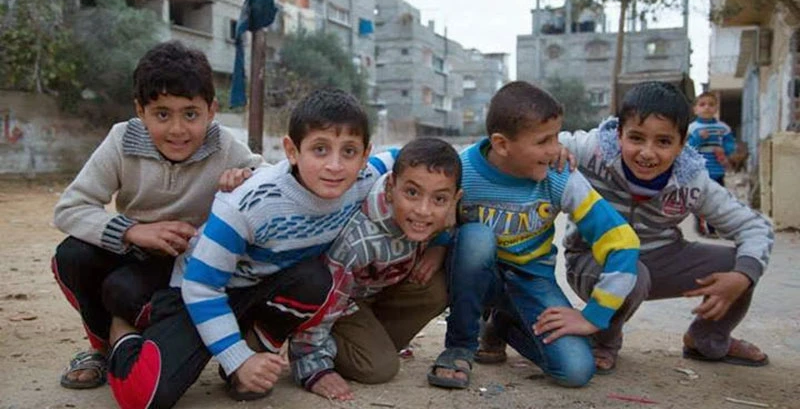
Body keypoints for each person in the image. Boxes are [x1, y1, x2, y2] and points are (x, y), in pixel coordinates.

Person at [104, 88, 401, 409]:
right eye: (319, 149)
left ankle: (256, 346)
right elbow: (201, 286)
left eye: (349, 151)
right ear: (291, 150)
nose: (335, 165)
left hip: (264, 288)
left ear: (365, 154)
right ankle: (123, 328)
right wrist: (236, 359)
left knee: (318, 280)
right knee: (143, 397)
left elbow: (410, 157)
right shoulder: (249, 203)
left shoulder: (365, 176)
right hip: (203, 291)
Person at [51, 40, 263, 390]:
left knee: (127, 293)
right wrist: (133, 231)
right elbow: (70, 208)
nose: (177, 130)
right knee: (72, 255)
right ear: (141, 111)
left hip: (192, 266)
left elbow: (269, 179)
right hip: (135, 255)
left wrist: (244, 180)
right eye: (162, 114)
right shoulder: (122, 140)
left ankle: (218, 339)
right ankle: (101, 349)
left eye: (190, 114)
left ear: (211, 111)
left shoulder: (224, 145)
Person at [428, 81, 640, 389]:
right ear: (501, 145)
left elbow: (624, 242)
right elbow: (423, 196)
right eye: (544, 141)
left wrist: (593, 317)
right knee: (476, 238)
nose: (555, 149)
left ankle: (502, 326)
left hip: (531, 279)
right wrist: (436, 246)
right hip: (474, 277)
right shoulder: (462, 170)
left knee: (576, 370)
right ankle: (460, 346)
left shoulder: (559, 175)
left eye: (556, 137)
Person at [552, 81, 772, 373]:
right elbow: (535, 140)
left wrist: (743, 276)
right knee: (631, 272)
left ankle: (706, 337)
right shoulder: (590, 151)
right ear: (618, 134)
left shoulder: (692, 181)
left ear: (683, 144)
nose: (647, 152)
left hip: (661, 257)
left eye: (664, 142)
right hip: (592, 260)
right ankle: (602, 340)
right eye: (636, 138)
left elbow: (755, 228)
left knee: (741, 263)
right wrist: (554, 148)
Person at [292, 137, 461, 401]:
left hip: (375, 292)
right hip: (339, 303)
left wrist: (439, 244)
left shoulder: (438, 212)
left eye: (439, 199)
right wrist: (313, 366)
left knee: (437, 286)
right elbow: (329, 298)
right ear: (392, 188)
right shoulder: (360, 239)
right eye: (412, 193)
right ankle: (303, 344)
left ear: (454, 200)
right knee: (379, 368)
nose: (423, 210)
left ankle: (371, 341)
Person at [687, 92, 736, 237]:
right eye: (702, 104)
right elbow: (687, 148)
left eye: (711, 104)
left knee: (716, 200)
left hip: (717, 170)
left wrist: (724, 150)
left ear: (716, 108)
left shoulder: (723, 128)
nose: (707, 107)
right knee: (698, 200)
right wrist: (697, 139)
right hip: (699, 171)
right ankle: (700, 225)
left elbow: (730, 144)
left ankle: (713, 228)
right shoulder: (692, 128)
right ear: (695, 109)